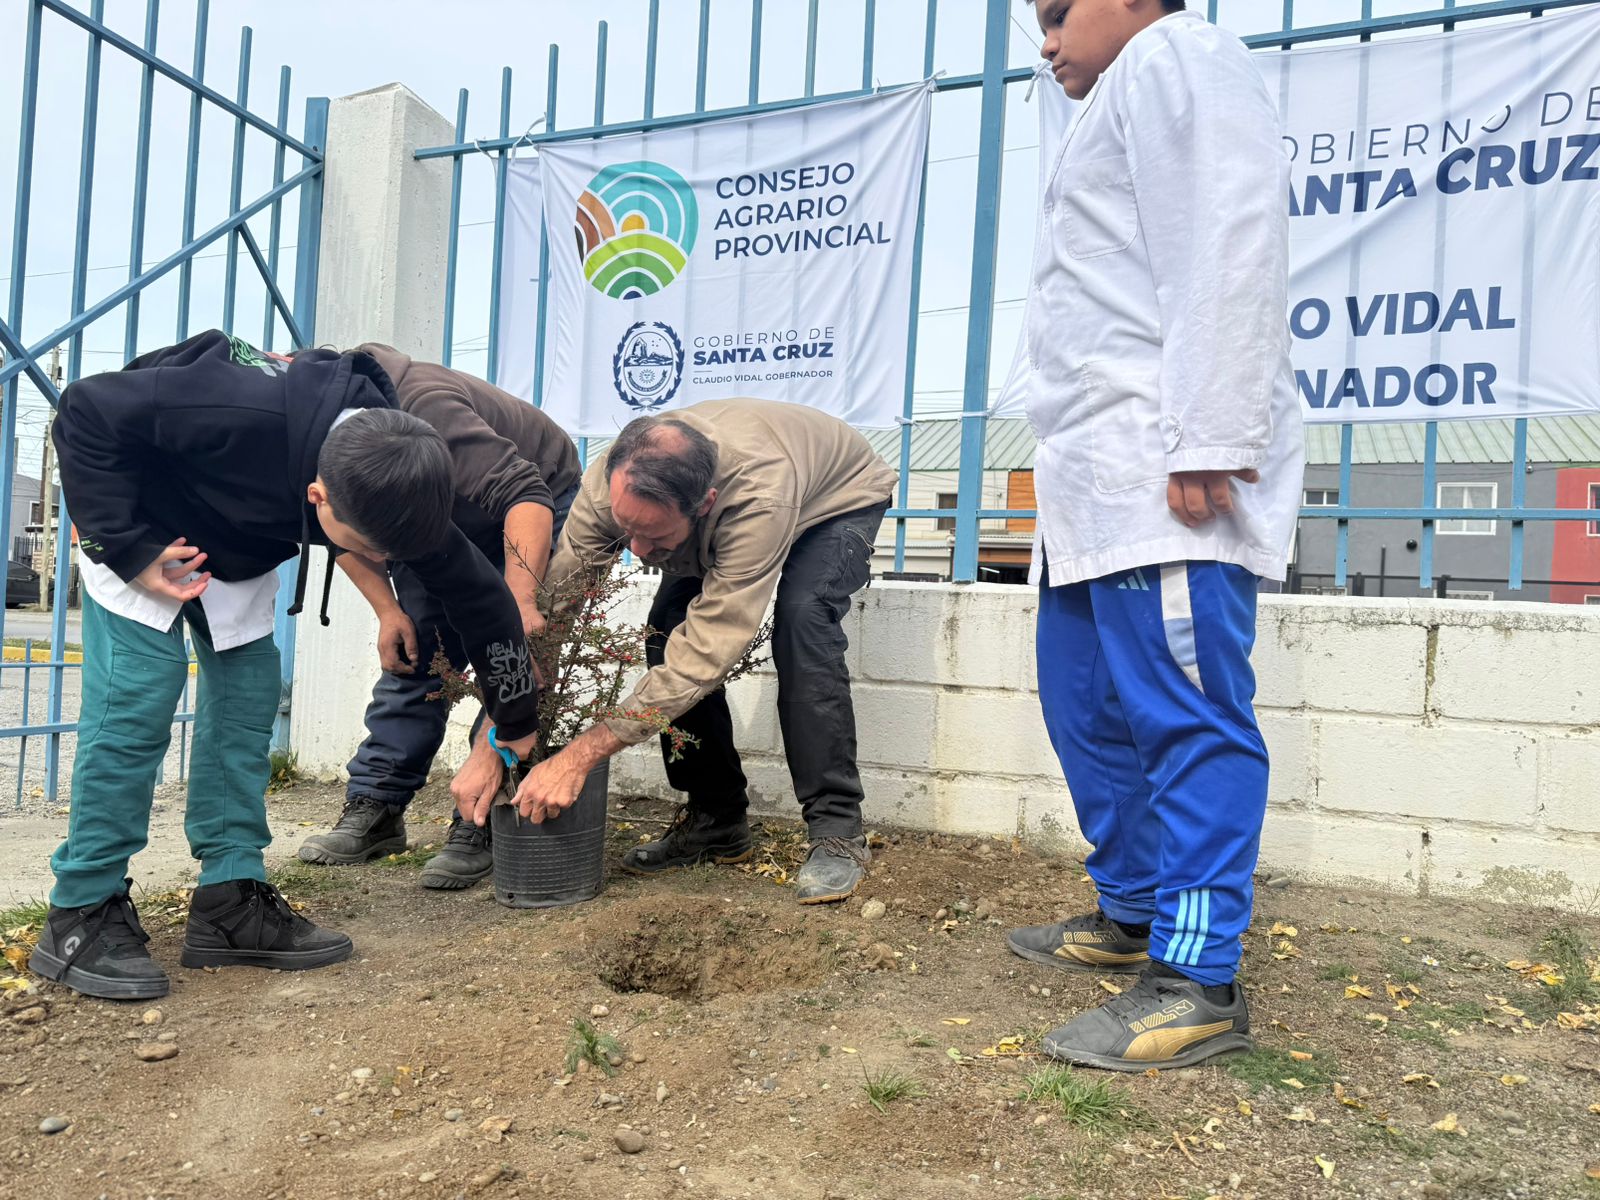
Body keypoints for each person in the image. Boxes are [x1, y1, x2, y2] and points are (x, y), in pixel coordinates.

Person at [28, 331, 540, 1001]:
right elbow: (85, 408)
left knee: (246, 704)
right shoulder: (231, 408)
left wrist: (515, 719)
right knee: (140, 697)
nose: (383, 562)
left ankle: (230, 899)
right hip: (146, 521)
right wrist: (123, 545)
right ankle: (81, 910)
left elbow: (484, 602)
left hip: (238, 541)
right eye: (370, 551)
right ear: (318, 496)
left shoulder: (396, 478)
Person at [1003, 0, 1304, 1070]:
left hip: (1162, 472)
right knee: (1085, 707)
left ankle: (1197, 979)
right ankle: (1130, 910)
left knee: (1185, 719)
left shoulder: (1181, 54)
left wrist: (1210, 433)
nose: (1045, 41)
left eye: (1057, 11)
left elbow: (1228, 239)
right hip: (1093, 485)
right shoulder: (1114, 98)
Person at [456, 398, 897, 906]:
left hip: (837, 496)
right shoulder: (608, 485)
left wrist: (578, 757)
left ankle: (837, 829)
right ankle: (717, 820)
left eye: (654, 534)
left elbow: (704, 655)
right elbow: (554, 608)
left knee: (804, 623)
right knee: (666, 627)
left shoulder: (758, 499)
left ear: (705, 504)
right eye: (627, 529)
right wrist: (495, 735)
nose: (637, 552)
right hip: (738, 493)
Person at [296, 344, 580, 891]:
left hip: (534, 501)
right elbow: (333, 524)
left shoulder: (427, 410)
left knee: (510, 653)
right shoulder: (315, 434)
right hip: (423, 514)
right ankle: (377, 803)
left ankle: (480, 816)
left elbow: (524, 493)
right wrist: (387, 609)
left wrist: (519, 603)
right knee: (418, 650)